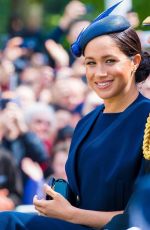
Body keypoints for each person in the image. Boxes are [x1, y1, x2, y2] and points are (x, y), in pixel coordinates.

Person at [0, 1, 150, 229]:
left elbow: (141, 217)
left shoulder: (147, 119)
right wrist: (59, 205)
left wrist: (70, 214)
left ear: (134, 62)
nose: (100, 73)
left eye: (110, 60)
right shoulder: (86, 123)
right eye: (91, 63)